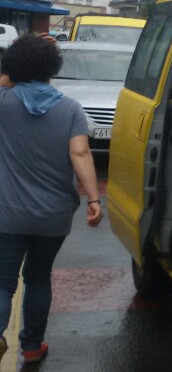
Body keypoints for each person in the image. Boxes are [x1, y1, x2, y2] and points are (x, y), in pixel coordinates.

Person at [0, 35, 103, 365]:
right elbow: (80, 152)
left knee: (3, 283)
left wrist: (11, 72)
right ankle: (31, 346)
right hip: (53, 216)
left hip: (7, 213)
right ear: (53, 67)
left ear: (13, 68)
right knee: (38, 278)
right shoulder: (71, 109)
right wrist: (93, 199)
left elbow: (4, 80)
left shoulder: (4, 101)